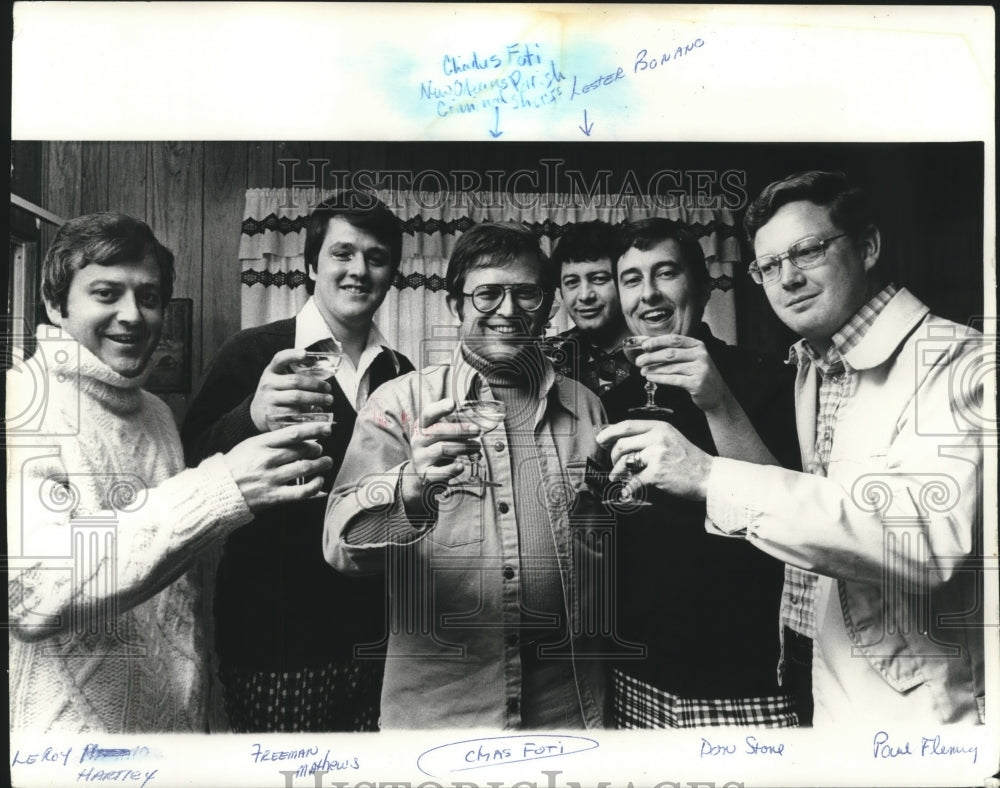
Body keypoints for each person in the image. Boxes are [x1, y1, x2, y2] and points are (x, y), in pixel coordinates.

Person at [605, 171, 985, 726]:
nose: (789, 279)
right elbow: (793, 512)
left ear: (869, 246)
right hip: (809, 673)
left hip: (917, 714)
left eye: (806, 252)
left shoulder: (957, 360)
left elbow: (927, 541)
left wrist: (710, 474)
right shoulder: (812, 369)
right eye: (769, 267)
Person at [6, 213, 333, 733]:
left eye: (149, 297)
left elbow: (172, 603)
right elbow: (31, 593)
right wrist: (222, 487)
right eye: (107, 293)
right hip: (70, 748)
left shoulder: (155, 413)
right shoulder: (21, 402)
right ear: (54, 303)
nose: (133, 316)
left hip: (173, 735)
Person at [323, 222, 610, 729]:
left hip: (569, 711)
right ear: (455, 306)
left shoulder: (586, 408)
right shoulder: (400, 403)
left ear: (546, 307)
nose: (508, 310)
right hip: (442, 715)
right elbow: (341, 547)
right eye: (487, 294)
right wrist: (411, 488)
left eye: (526, 294)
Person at [181, 190, 414, 732]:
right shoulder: (253, 351)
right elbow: (188, 467)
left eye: (376, 258)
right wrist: (251, 416)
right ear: (311, 265)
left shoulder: (402, 371)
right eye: (343, 253)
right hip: (275, 638)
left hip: (379, 638)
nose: (359, 270)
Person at [598, 218, 802, 729]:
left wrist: (716, 399)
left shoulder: (772, 380)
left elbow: (791, 518)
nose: (648, 295)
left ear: (704, 284)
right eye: (631, 279)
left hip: (745, 679)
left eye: (665, 273)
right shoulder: (609, 400)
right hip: (637, 677)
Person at [542, 221, 631, 395]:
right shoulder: (547, 358)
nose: (584, 295)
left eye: (598, 279)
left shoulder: (657, 351)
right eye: (572, 282)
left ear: (626, 283)